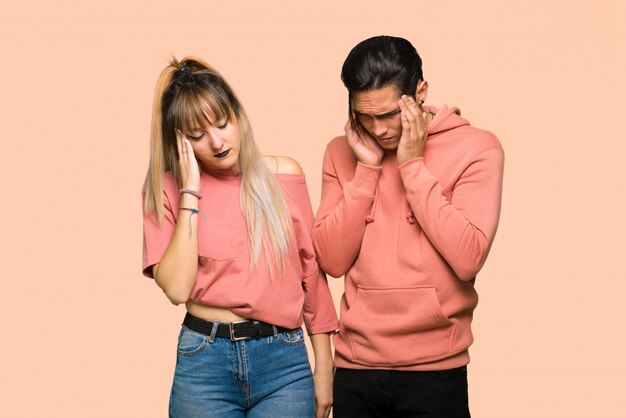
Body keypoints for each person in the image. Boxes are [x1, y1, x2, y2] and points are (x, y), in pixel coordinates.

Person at [312, 36, 504, 417]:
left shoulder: (478, 148)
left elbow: (468, 258)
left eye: (388, 115)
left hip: (436, 371)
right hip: (355, 366)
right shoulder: (342, 150)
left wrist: (412, 165)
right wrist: (366, 169)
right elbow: (332, 260)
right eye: (364, 116)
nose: (378, 129)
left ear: (420, 93)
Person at [142, 56, 338, 418]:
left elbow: (310, 273)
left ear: (238, 114)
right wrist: (190, 191)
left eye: (222, 123)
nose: (217, 142)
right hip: (204, 364)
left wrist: (324, 365)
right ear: (180, 141)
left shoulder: (283, 174)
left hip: (284, 364)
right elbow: (177, 289)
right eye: (198, 135)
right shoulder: (165, 189)